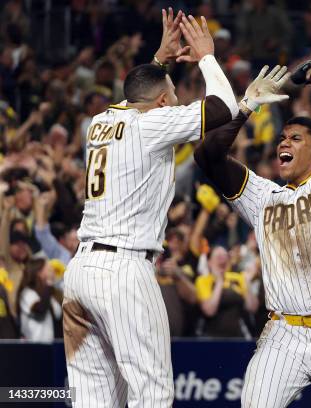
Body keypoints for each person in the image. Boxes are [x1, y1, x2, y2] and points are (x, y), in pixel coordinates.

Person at [61, 9, 238, 407]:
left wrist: (158, 61)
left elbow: (138, 95)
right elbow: (224, 107)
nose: (176, 103)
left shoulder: (99, 122)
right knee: (152, 393)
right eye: (173, 97)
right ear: (161, 103)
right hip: (124, 272)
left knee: (92, 399)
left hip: (81, 273)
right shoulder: (153, 124)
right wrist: (207, 55)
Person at [194, 60, 311, 407]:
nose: (285, 142)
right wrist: (245, 107)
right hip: (283, 333)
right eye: (283, 138)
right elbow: (206, 155)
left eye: (296, 138)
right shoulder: (262, 196)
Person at [17, 258, 62, 342]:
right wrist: (49, 283)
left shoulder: (51, 294)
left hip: (52, 346)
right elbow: (40, 309)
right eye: (48, 269)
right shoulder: (27, 293)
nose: (52, 271)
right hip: (34, 346)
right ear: (39, 273)